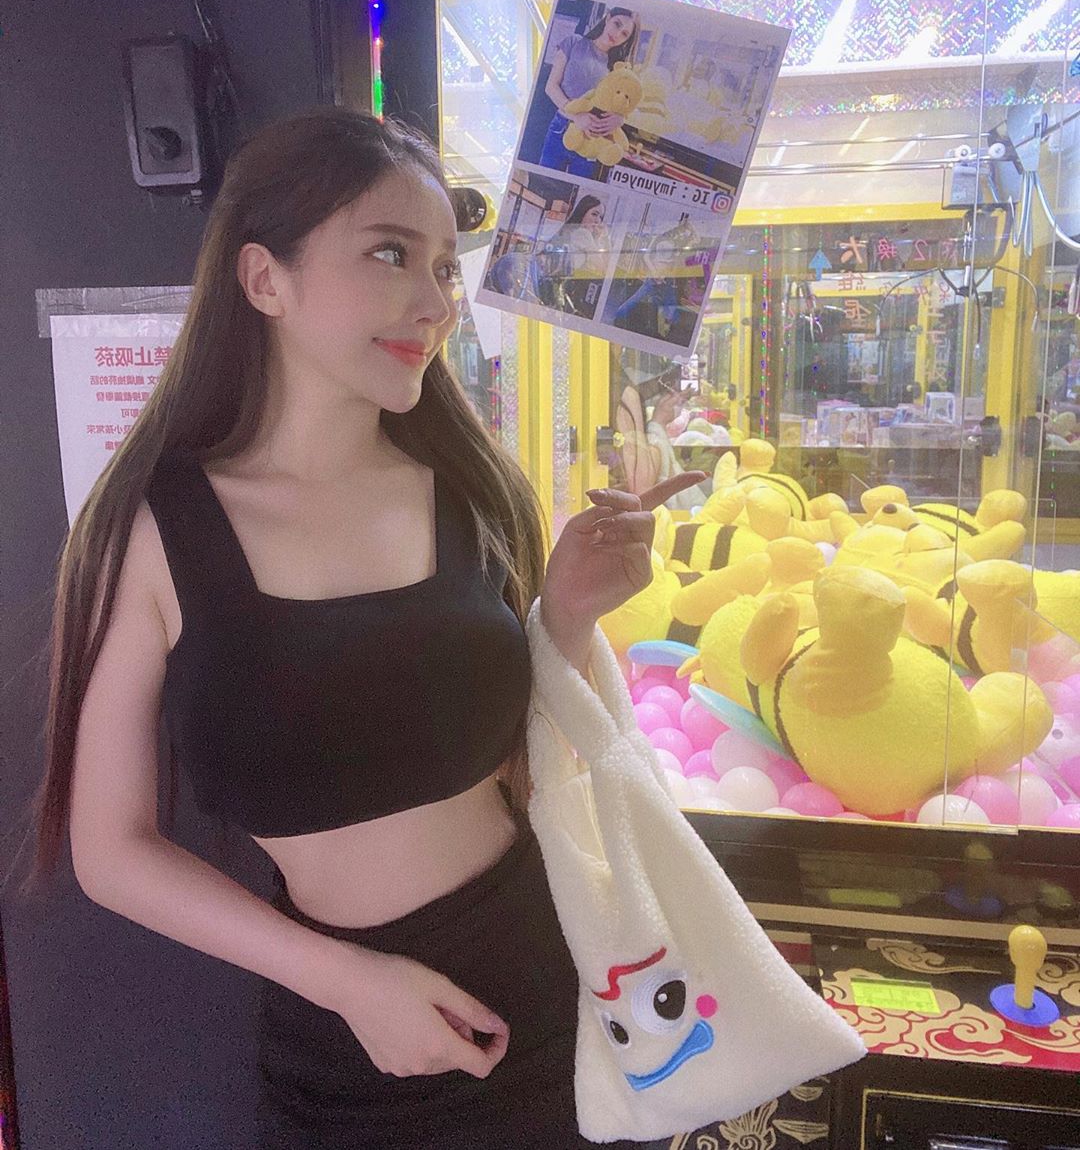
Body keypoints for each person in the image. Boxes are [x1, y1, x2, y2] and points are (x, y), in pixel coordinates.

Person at [29, 108, 704, 1149]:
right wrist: (346, 982)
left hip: (554, 994)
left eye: (443, 268)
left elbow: (526, 773)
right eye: (391, 253)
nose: (434, 301)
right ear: (265, 279)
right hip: (342, 1044)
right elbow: (110, 850)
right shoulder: (158, 532)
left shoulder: (472, 493)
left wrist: (566, 615)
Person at [538, 7, 640, 180]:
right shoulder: (573, 42)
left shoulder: (618, 69)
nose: (617, 34)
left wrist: (621, 119)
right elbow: (551, 86)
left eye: (624, 34)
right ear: (608, 18)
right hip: (562, 126)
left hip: (594, 137)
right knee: (543, 181)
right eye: (617, 24)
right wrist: (576, 116)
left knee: (577, 189)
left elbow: (627, 102)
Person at [544, 195, 611, 316]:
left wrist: (598, 238)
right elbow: (603, 267)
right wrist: (605, 238)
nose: (598, 221)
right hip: (562, 290)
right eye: (594, 214)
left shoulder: (574, 231)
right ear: (583, 212)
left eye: (600, 217)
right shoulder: (582, 233)